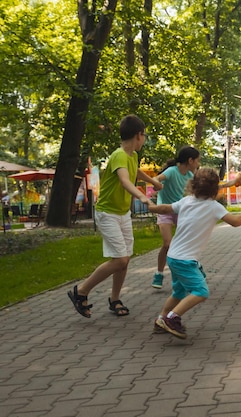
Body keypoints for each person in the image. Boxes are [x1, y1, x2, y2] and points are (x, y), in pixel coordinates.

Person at [67, 114, 163, 318]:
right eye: (144, 135)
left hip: (122, 213)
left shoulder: (132, 156)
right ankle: (81, 291)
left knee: (124, 259)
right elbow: (124, 181)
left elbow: (134, 172)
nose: (144, 140)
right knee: (120, 259)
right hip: (107, 213)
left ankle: (115, 299)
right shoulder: (118, 154)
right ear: (139, 135)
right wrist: (142, 197)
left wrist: (152, 181)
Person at [149, 167, 241, 338]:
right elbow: (236, 222)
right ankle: (171, 318)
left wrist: (152, 207)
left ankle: (161, 319)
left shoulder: (186, 201)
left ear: (193, 186)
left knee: (178, 293)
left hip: (173, 257)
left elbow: (165, 209)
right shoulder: (213, 206)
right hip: (185, 261)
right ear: (215, 190)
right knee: (201, 291)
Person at [151, 146, 201, 289]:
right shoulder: (172, 171)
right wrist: (156, 185)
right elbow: (157, 179)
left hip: (180, 211)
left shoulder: (190, 176)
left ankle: (195, 266)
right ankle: (159, 274)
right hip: (164, 210)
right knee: (167, 244)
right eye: (197, 161)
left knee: (188, 242)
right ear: (190, 160)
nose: (198, 164)